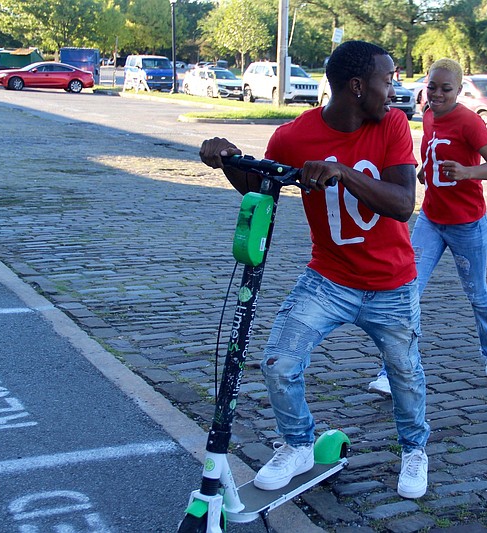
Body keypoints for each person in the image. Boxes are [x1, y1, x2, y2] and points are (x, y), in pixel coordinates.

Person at [199, 40, 430, 500]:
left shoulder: (394, 125)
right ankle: (299, 444)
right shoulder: (292, 137)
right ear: (357, 86)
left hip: (392, 285)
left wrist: (342, 172)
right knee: (278, 362)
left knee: (404, 374)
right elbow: (259, 186)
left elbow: (404, 204)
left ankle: (414, 451)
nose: (395, 88)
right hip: (328, 280)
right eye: (388, 80)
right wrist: (227, 158)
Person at [368, 58, 487, 395]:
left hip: (467, 224)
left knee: (476, 292)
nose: (437, 94)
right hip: (431, 220)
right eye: (432, 87)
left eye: (446, 89)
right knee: (406, 292)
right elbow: (431, 155)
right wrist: (425, 173)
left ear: (459, 91)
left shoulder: (469, 122)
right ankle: (392, 373)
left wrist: (466, 172)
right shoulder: (427, 115)